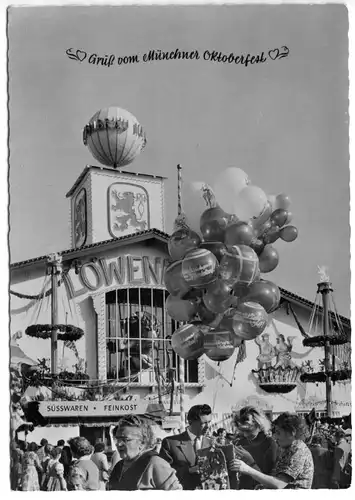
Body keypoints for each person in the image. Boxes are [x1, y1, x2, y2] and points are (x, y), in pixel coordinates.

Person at [229, 412, 314, 489]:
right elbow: (269, 480)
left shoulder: (298, 450)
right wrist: (251, 461)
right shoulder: (287, 449)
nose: (275, 437)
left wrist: (247, 469)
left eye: (278, 432)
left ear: (292, 432)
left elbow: (278, 484)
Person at [108, 415, 182, 490]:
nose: (118, 444)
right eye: (117, 439)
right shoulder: (118, 467)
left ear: (142, 442)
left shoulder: (155, 464)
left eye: (125, 439)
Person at [159, 404, 213, 490]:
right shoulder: (170, 443)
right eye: (203, 423)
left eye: (209, 422)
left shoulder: (212, 443)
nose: (208, 426)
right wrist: (189, 470)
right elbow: (163, 473)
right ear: (190, 422)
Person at [233, 406, 278, 490]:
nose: (246, 435)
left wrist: (250, 461)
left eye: (248, 431)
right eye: (243, 431)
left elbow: (271, 482)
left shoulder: (270, 444)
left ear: (259, 424)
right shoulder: (241, 442)